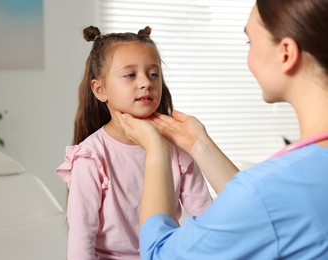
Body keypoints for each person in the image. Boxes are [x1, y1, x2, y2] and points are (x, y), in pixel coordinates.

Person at [116, 0, 328, 259]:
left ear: (286, 53)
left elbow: (158, 253)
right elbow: (267, 218)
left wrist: (156, 150)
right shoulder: (286, 186)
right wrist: (199, 145)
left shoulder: (267, 191)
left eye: (250, 42)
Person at [56, 26, 213, 259]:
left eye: (153, 74)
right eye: (130, 75)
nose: (145, 83)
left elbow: (207, 218)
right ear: (100, 89)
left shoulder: (178, 146)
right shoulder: (91, 157)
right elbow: (81, 239)